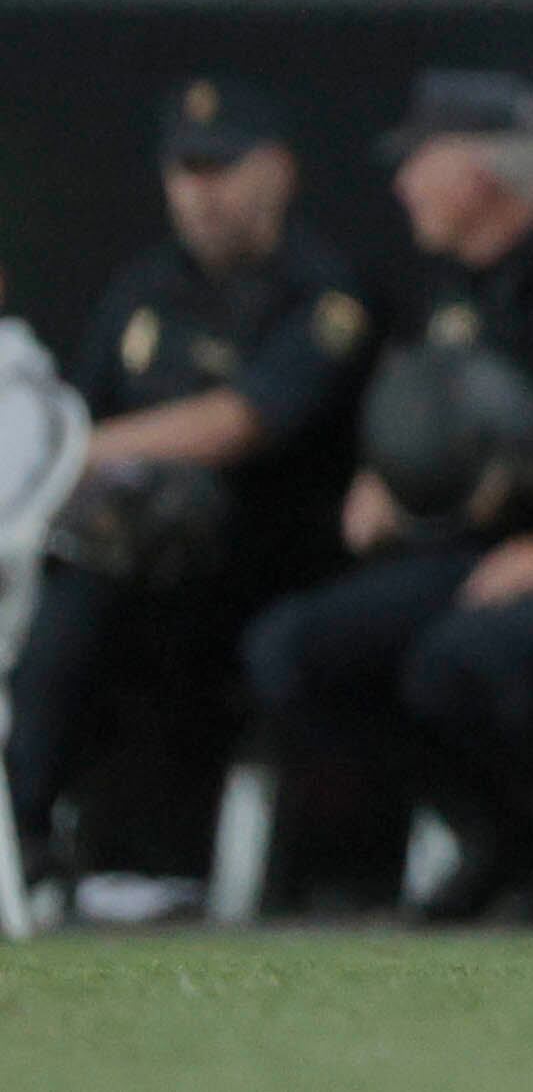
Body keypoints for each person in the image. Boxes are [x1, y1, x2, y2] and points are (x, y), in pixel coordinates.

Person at [240, 72, 533, 923]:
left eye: (418, 162)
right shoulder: (453, 281)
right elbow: (430, 408)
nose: (402, 183)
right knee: (295, 651)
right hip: (469, 554)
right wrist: (386, 480)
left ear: (478, 177)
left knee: (461, 661)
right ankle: (494, 834)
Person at [6, 82, 372, 890]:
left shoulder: (321, 293)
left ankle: (67, 832)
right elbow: (75, 400)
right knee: (69, 588)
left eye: (221, 169)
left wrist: (73, 453)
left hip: (259, 566)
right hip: (126, 561)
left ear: (275, 170)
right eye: (184, 171)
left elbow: (242, 422)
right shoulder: (146, 287)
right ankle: (33, 831)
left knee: (119, 577)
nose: (200, 192)